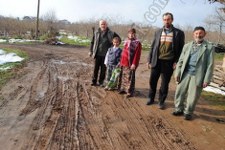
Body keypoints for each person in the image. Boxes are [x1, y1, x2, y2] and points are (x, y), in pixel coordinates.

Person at [173, 26, 214, 120]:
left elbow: (210, 65)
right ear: (193, 34)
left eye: (200, 33)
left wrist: (207, 79)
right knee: (179, 92)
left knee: (193, 95)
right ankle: (178, 109)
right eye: (196, 33)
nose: (198, 35)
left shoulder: (209, 47)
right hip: (185, 73)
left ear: (204, 34)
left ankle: (188, 112)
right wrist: (177, 73)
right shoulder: (187, 46)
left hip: (197, 76)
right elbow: (181, 61)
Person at [146, 12, 185, 109]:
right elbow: (153, 47)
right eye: (164, 19)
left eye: (168, 19)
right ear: (162, 20)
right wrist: (149, 59)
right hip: (156, 61)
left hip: (168, 62)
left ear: (172, 20)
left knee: (164, 83)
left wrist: (177, 61)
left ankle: (161, 101)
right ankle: (151, 98)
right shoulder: (158, 32)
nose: (166, 21)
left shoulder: (178, 33)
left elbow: (181, 49)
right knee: (152, 81)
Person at [89, 20, 120, 86]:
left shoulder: (111, 33)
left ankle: (101, 82)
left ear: (106, 25)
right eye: (102, 24)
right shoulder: (96, 32)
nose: (103, 25)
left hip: (106, 55)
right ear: (100, 25)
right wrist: (90, 51)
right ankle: (94, 81)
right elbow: (92, 42)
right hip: (97, 54)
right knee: (95, 69)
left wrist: (113, 47)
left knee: (103, 70)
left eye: (104, 24)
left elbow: (118, 39)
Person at [118, 28, 142, 98]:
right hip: (124, 63)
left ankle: (129, 91)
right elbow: (123, 53)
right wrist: (121, 62)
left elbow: (137, 55)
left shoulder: (137, 43)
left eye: (133, 34)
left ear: (135, 34)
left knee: (130, 77)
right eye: (130, 34)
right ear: (128, 34)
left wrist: (134, 63)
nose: (131, 35)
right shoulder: (126, 42)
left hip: (131, 63)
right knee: (123, 76)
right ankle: (123, 89)